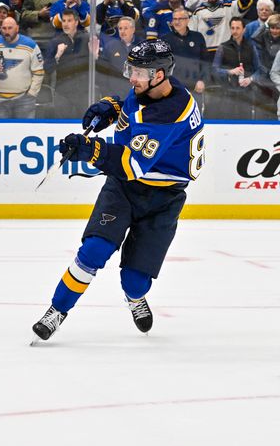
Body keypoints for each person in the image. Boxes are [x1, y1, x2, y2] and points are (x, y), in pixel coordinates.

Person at [32, 39, 205, 342]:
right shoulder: (156, 87)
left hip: (162, 199)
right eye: (132, 70)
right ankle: (57, 311)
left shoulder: (170, 114)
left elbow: (131, 164)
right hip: (123, 190)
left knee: (135, 281)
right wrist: (112, 107)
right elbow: (133, 107)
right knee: (93, 251)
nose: (131, 78)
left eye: (139, 72)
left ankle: (135, 297)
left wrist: (89, 149)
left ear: (159, 74)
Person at [0, 15, 44, 119]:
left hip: (24, 100)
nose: (6, 31)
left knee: (24, 132)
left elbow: (38, 71)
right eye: (4, 28)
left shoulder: (30, 45)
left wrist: (32, 93)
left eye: (10, 28)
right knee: (1, 133)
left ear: (17, 28)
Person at [211, 16, 265, 119]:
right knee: (227, 121)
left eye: (237, 28)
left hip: (246, 91)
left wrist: (251, 79)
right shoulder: (223, 47)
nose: (234, 31)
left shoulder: (251, 46)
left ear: (244, 29)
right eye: (232, 28)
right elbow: (214, 69)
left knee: (246, 121)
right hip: (227, 91)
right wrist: (229, 71)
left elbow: (260, 70)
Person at [44, 9, 89, 118]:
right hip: (63, 92)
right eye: (64, 21)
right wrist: (57, 56)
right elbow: (47, 68)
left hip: (84, 91)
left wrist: (95, 55)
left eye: (69, 20)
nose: (66, 24)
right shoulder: (56, 42)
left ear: (76, 22)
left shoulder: (86, 39)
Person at [159, 8, 207, 97]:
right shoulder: (164, 39)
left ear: (187, 20)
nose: (177, 22)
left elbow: (205, 61)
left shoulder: (198, 37)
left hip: (195, 85)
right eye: (175, 19)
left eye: (180, 19)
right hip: (173, 86)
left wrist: (202, 80)